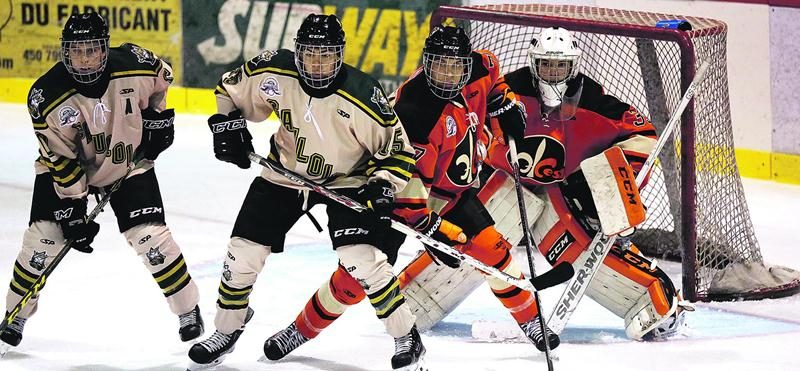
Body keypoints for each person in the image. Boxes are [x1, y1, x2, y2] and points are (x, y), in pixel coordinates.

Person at [259, 25, 561, 360]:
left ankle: (533, 322)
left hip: (451, 191)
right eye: (437, 64)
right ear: (426, 63)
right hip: (396, 191)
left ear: (466, 64)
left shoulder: (481, 66)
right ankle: (298, 330)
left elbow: (493, 76)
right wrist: (442, 235)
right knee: (356, 278)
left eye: (454, 65)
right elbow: (408, 201)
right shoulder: (415, 113)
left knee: (493, 251)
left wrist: (504, 102)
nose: (445, 74)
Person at [186, 14, 424, 370]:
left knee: (363, 259)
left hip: (347, 181)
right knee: (243, 251)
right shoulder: (274, 71)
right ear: (297, 52)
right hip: (284, 175)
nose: (317, 63)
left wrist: (382, 185)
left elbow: (398, 151)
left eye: (326, 55)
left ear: (340, 55)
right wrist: (227, 126)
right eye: (310, 54)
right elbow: (229, 90)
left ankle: (407, 336)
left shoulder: (362, 95)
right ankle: (228, 328)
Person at [0, 12, 203, 351]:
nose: (83, 58)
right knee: (42, 244)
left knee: (152, 240)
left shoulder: (135, 64)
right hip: (67, 172)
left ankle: (188, 310)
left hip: (128, 164)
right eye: (75, 50)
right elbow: (60, 159)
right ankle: (15, 313)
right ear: (65, 52)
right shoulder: (46, 95)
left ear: (104, 49)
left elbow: (162, 77)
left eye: (91, 49)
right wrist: (73, 208)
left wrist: (158, 118)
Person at [481, 26, 690, 342]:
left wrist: (608, 188)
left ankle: (655, 302)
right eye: (546, 64)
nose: (553, 73)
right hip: (505, 186)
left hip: (561, 196)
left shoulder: (591, 98)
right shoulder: (506, 91)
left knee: (575, 246)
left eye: (561, 66)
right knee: (477, 233)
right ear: (533, 62)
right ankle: (415, 298)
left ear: (573, 65)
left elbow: (645, 139)